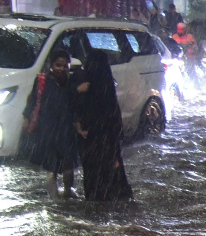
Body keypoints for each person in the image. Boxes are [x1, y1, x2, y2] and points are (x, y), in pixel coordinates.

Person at [72, 51, 132, 201]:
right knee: (111, 183)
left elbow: (73, 109)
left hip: (92, 142)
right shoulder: (107, 89)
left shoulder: (86, 88)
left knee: (94, 184)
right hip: (106, 143)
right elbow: (114, 121)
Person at [22, 48, 79, 198]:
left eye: (65, 66)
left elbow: (77, 106)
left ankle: (67, 193)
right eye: (58, 65)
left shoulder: (71, 83)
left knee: (68, 166)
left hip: (67, 131)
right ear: (51, 65)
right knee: (51, 168)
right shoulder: (42, 81)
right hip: (48, 131)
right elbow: (32, 101)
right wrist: (27, 120)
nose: (61, 69)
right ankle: (54, 200)